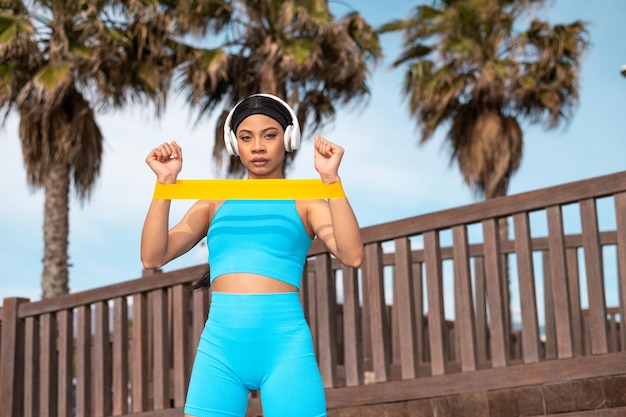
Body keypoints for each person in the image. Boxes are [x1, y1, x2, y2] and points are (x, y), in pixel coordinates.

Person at [140, 93, 365, 417]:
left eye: (269, 135)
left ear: (288, 139)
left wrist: (331, 180)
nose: (257, 146)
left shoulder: (307, 200)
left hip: (284, 347)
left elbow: (352, 255)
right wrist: (164, 186)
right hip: (220, 350)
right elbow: (152, 257)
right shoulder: (213, 202)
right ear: (235, 144)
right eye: (246, 137)